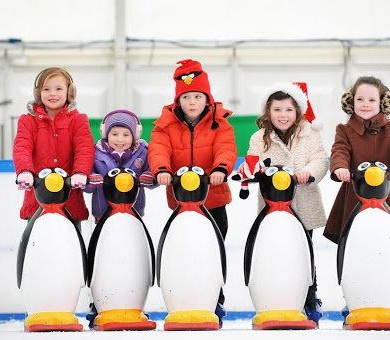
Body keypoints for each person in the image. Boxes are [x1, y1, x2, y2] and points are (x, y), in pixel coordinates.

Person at [324, 76, 390, 320]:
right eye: (360, 99)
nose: (365, 104)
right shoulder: (344, 130)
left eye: (371, 99)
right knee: (354, 248)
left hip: (387, 194)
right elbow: (339, 151)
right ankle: (353, 299)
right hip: (355, 196)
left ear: (382, 102)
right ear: (351, 101)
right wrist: (339, 167)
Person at [148, 59, 238, 327]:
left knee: (214, 249)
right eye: (186, 96)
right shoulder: (166, 125)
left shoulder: (219, 122)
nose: (192, 101)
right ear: (178, 99)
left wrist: (221, 168)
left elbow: (226, 147)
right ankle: (183, 296)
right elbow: (158, 148)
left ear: (207, 97)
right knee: (184, 250)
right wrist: (162, 169)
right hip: (181, 202)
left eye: (197, 96)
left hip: (214, 199)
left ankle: (216, 298)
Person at [243, 82, 328, 326]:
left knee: (304, 252)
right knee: (273, 252)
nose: (283, 115)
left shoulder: (310, 134)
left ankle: (309, 298)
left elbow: (320, 160)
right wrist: (249, 169)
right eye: (277, 109)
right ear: (268, 112)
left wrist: (308, 172)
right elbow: (253, 162)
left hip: (302, 203)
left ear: (298, 111)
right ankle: (272, 298)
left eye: (289, 110)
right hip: (272, 206)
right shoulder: (260, 138)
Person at [13, 66, 95, 222]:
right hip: (37, 197)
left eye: (58, 89)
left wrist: (80, 172)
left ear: (69, 92)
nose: (52, 94)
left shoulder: (78, 120)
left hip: (69, 197)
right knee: (35, 241)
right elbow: (22, 146)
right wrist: (25, 171)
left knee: (72, 241)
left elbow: (85, 149)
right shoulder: (27, 121)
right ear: (39, 93)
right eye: (46, 89)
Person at [85, 109, 154, 222]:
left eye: (126, 135)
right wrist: (90, 179)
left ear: (135, 135)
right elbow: (87, 181)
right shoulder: (96, 153)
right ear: (105, 134)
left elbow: (152, 170)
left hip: (134, 210)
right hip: (103, 211)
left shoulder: (143, 152)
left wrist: (149, 175)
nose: (120, 139)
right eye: (114, 134)